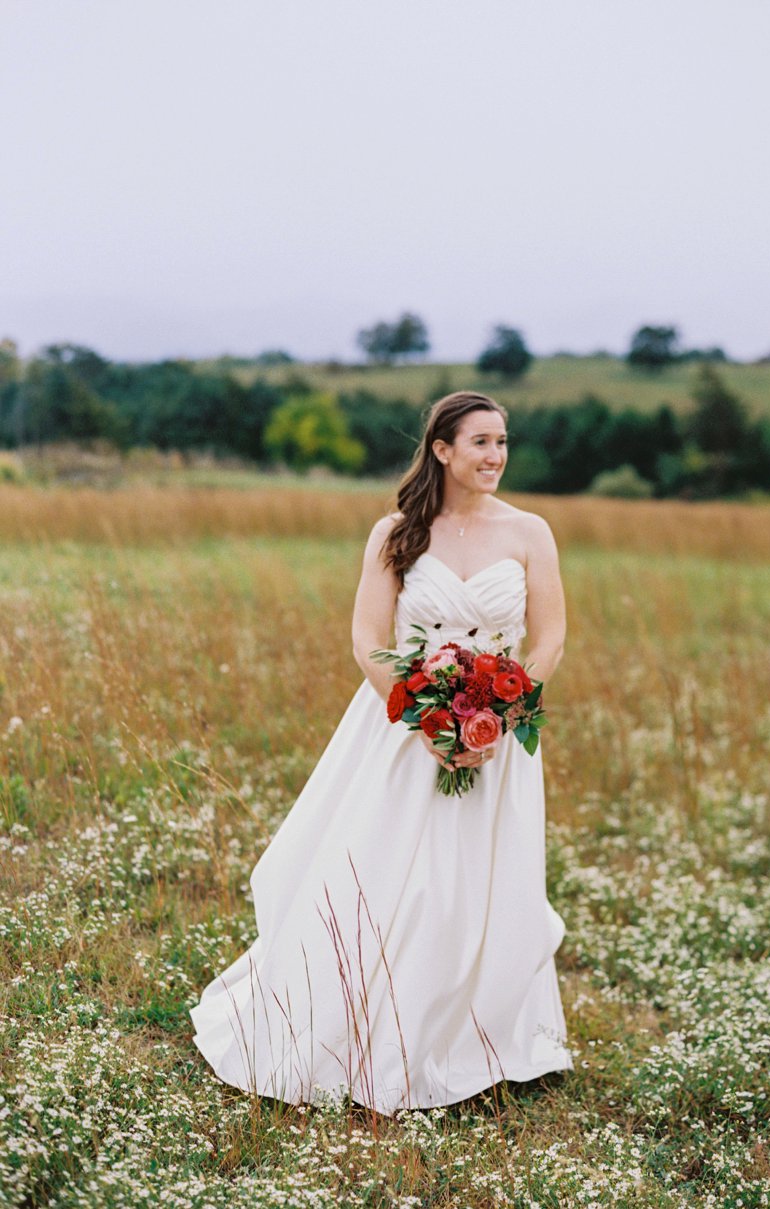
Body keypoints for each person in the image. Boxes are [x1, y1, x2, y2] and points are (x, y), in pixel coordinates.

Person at [190, 390, 572, 1115]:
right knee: (392, 873)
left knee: (478, 882)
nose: (496, 456)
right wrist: (426, 718)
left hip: (498, 738)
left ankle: (476, 1035)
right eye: (481, 442)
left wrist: (499, 710)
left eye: (503, 441)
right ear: (442, 450)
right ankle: (365, 1026)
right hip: (403, 728)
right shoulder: (397, 531)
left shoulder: (531, 532)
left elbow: (549, 638)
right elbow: (368, 638)